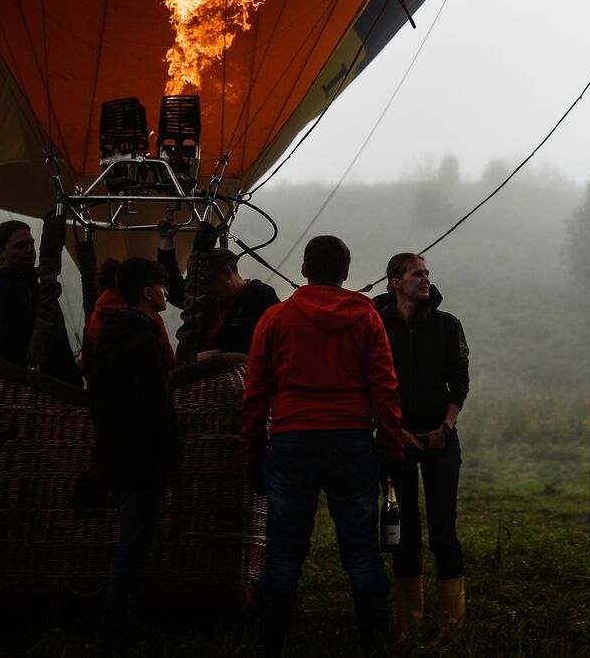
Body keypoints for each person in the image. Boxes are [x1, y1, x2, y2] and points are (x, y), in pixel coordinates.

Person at [242, 235, 404, 657]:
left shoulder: (275, 318)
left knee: (282, 552)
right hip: (352, 441)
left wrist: (253, 452)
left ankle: (270, 643)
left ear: (303, 270)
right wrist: (390, 448)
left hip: (291, 439)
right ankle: (375, 643)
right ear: (346, 273)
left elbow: (256, 390)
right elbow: (384, 387)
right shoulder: (367, 320)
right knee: (362, 551)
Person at [374, 252, 470, 642]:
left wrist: (445, 428)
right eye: (417, 274)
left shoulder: (448, 326)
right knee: (404, 531)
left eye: (428, 273)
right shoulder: (376, 325)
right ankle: (408, 623)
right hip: (395, 441)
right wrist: (394, 430)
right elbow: (370, 383)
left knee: (444, 531)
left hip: (440, 440)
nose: (426, 279)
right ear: (395, 282)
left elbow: (459, 384)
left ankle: (452, 624)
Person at [89, 257, 179, 640]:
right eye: (161, 287)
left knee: (134, 540)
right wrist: (169, 450)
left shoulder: (108, 333)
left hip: (116, 451)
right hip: (144, 458)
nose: (166, 293)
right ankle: (116, 627)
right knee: (134, 545)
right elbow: (153, 406)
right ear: (147, 292)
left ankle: (128, 618)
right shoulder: (144, 340)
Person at [0, 219, 83, 386]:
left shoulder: (40, 288)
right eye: (20, 246)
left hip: (64, 387)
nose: (30, 249)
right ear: (0, 253)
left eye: (31, 244)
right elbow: (4, 347)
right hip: (39, 390)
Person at [158, 218, 279, 359]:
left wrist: (215, 355)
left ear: (227, 273)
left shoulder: (260, 296)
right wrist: (167, 240)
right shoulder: (208, 300)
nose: (205, 290)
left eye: (208, 283)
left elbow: (262, 342)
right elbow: (174, 288)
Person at [82, 257, 174, 382]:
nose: (166, 293)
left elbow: (88, 367)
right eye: (162, 286)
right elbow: (169, 364)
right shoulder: (149, 319)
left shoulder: (93, 321)